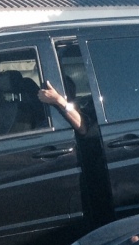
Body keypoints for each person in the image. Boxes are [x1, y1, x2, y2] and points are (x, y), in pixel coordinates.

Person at [38, 77, 115, 226]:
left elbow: (84, 128)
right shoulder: (84, 104)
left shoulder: (96, 103)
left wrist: (59, 101)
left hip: (97, 171)